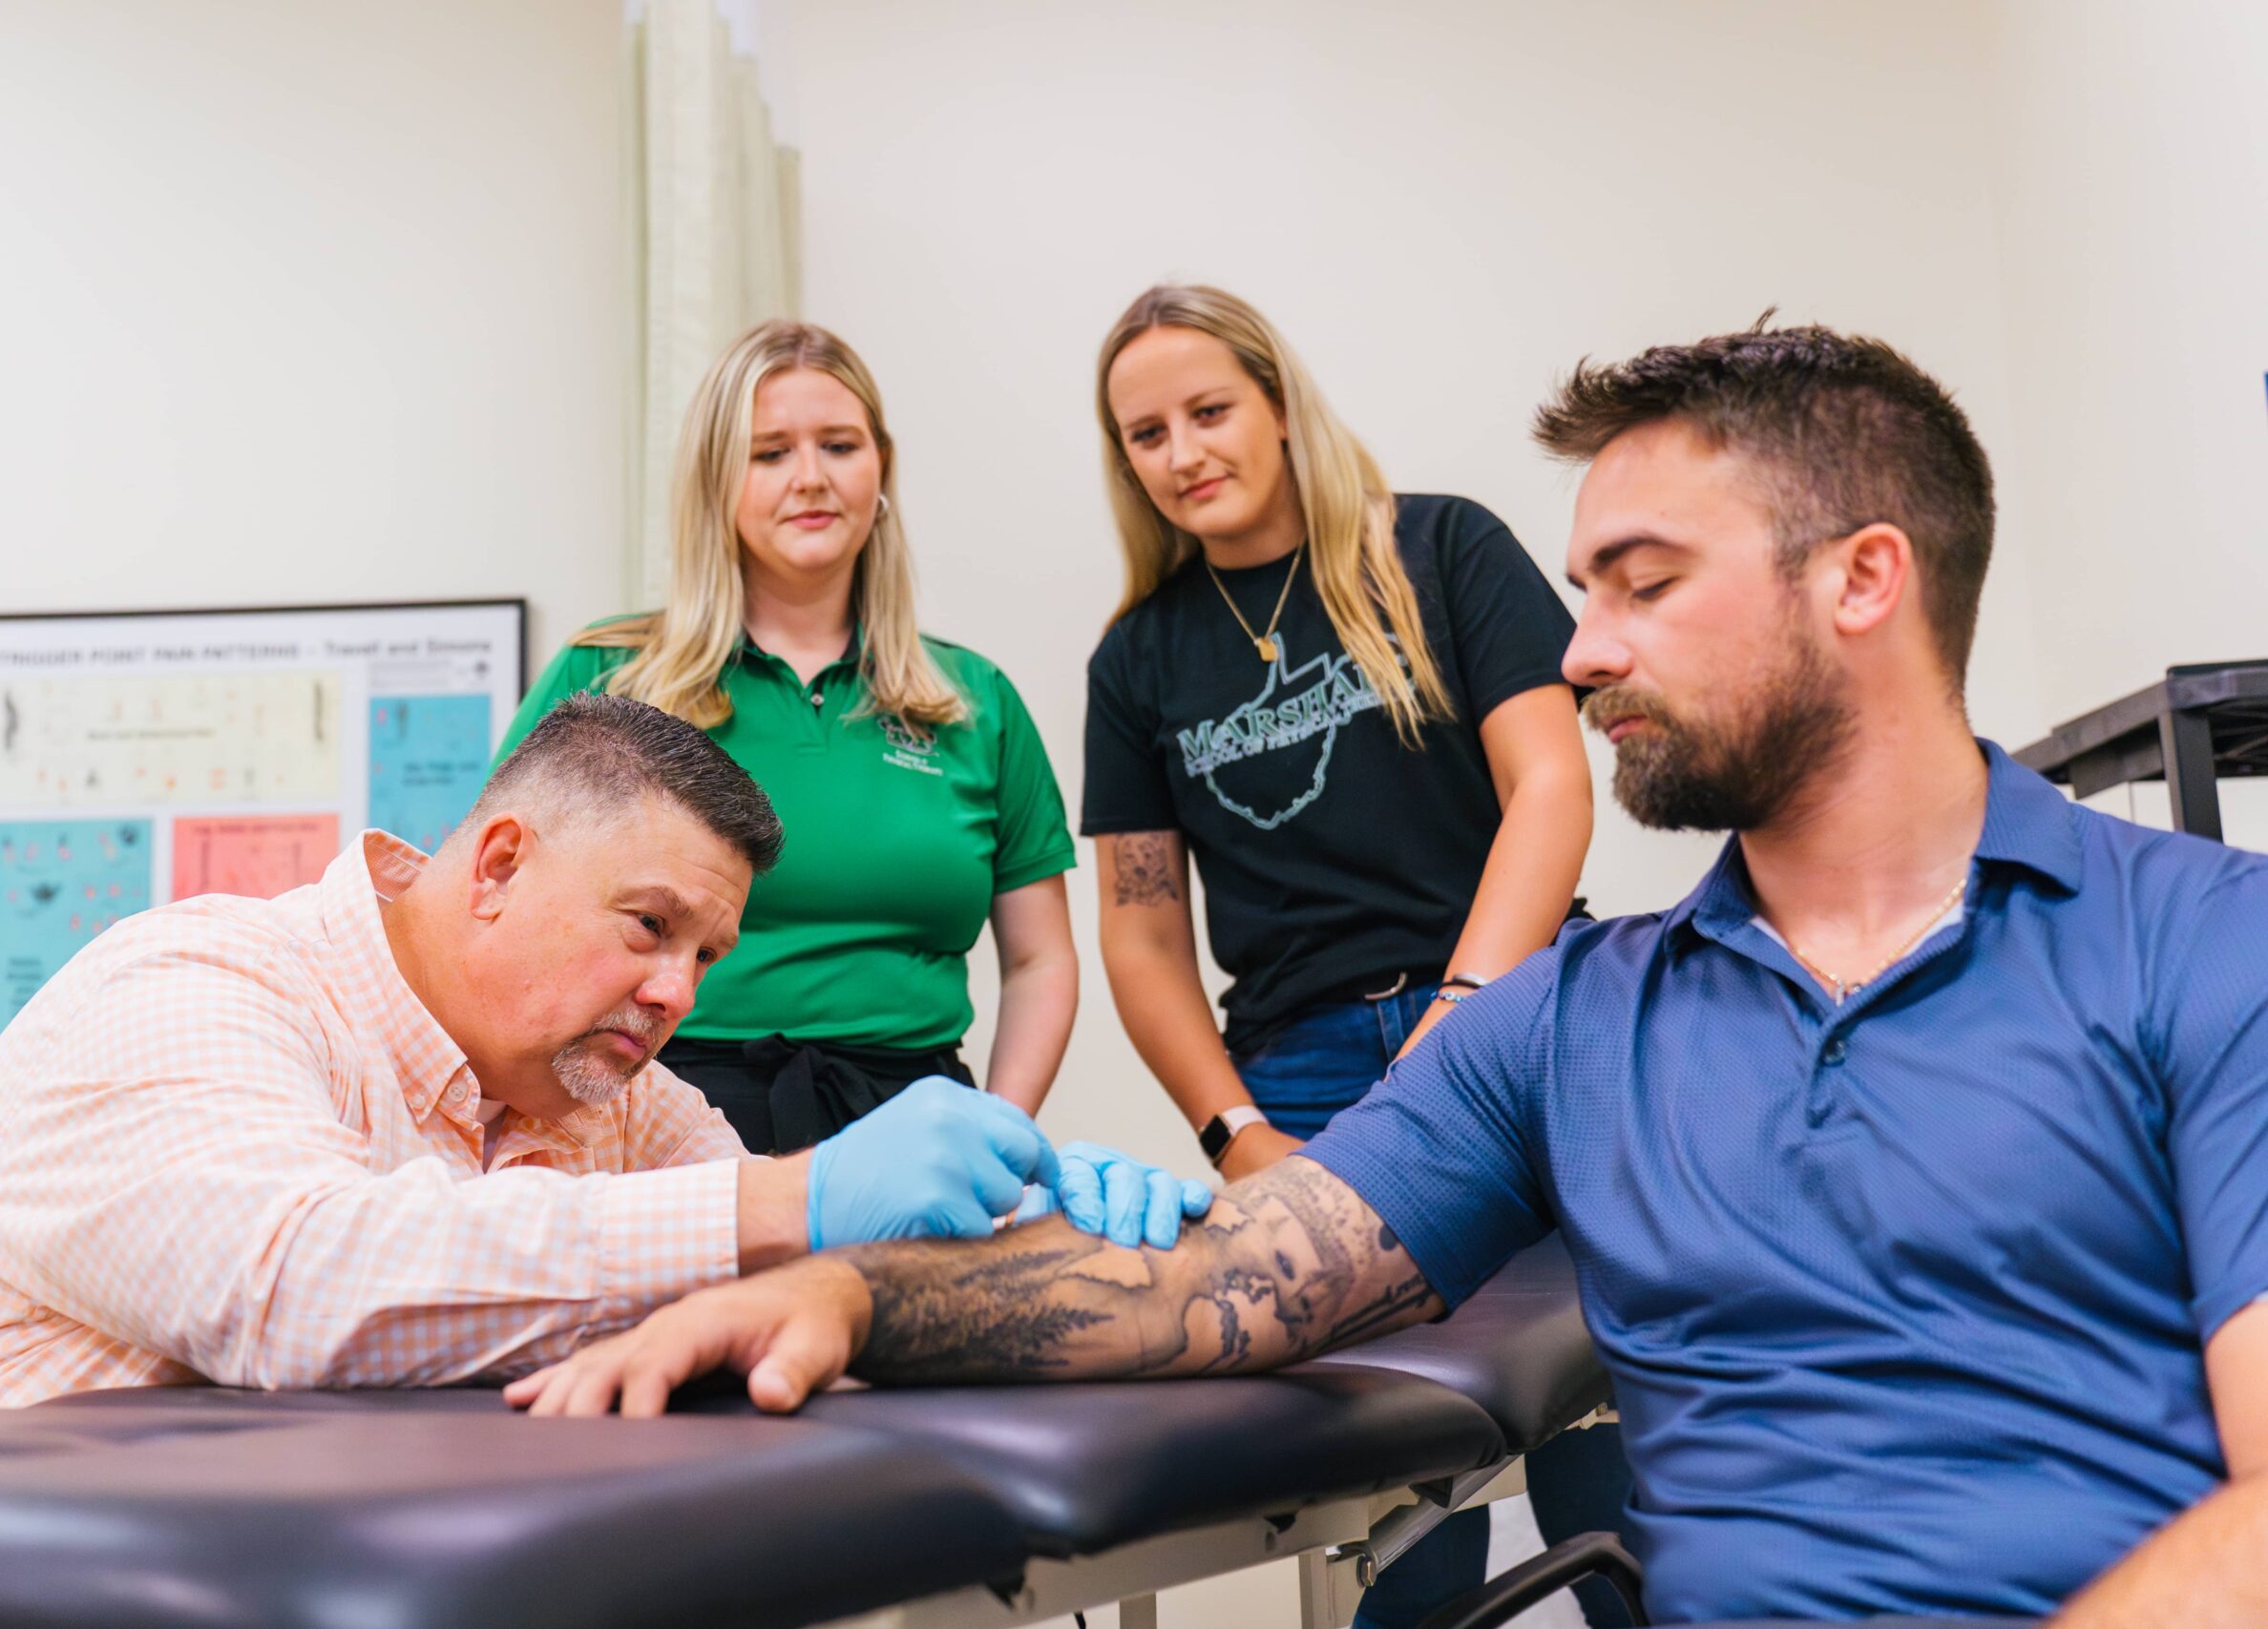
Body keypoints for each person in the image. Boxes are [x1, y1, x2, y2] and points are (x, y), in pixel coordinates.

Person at [509, 324, 2268, 1628]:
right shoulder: (1579, 1024)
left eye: (1645, 586)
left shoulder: (2206, 943)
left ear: (1865, 581)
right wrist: (857, 1301)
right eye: (1586, 589)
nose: (1582, 651)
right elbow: (1221, 1291)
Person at [0, 696, 1200, 1411]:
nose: (676, 993)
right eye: (649, 927)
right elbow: (303, 1284)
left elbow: (783, 1268)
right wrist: (804, 1192)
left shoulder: (607, 1087)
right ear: (497, 865)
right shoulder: (191, 983)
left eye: (706, 956)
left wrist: (1035, 1218)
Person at [1081, 283, 1619, 1625]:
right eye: (1146, 432)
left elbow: (1550, 787)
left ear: (1276, 401)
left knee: (1611, 1442)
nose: (1184, 450)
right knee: (1397, 1498)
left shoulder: (1439, 548)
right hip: (1311, 1077)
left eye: (1210, 410)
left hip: (1529, 1024)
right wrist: (1232, 1130)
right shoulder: (1138, 658)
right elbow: (1142, 926)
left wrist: (1464, 1012)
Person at [495, 321, 1079, 1156]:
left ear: (880, 467)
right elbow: (499, 899)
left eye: (838, 445)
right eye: (770, 453)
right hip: (653, 1109)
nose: (810, 478)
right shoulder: (609, 674)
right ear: (717, 480)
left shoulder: (973, 701)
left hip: (917, 1122)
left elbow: (1040, 961)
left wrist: (999, 1130)